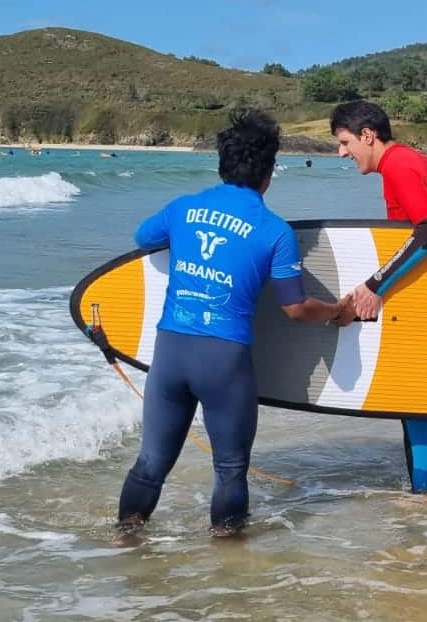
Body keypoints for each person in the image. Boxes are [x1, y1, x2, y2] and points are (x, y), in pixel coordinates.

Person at [117, 109, 351, 537]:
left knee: (150, 465)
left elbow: (142, 238)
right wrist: (338, 311)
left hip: (169, 354)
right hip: (224, 362)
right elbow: (295, 309)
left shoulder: (183, 209)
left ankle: (125, 545)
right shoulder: (274, 231)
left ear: (222, 163)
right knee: (229, 470)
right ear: (268, 172)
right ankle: (227, 570)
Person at [330, 100, 427, 494]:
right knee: (413, 394)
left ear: (368, 135)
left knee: (410, 396)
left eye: (345, 141)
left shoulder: (398, 166)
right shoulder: (411, 160)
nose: (342, 152)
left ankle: (424, 495)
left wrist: (374, 285)